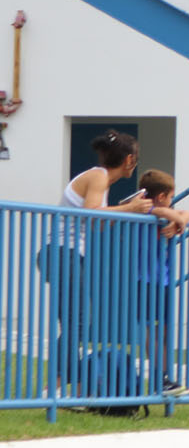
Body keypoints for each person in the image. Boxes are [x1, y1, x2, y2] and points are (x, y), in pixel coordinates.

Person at [44, 130, 155, 393]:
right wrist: (128, 209)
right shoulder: (99, 176)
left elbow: (98, 223)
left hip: (65, 253)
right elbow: (93, 215)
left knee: (77, 321)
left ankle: (60, 385)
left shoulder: (100, 180)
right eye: (135, 160)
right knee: (78, 321)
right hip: (63, 252)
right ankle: (55, 387)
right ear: (129, 160)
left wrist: (122, 208)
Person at [134, 169, 189, 396]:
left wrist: (180, 219)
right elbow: (158, 210)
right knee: (152, 330)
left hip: (165, 281)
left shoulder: (163, 213)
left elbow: (186, 213)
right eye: (170, 196)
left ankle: (167, 378)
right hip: (145, 280)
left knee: (165, 330)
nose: (172, 201)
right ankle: (161, 378)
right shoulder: (143, 211)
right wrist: (175, 218)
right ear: (161, 197)